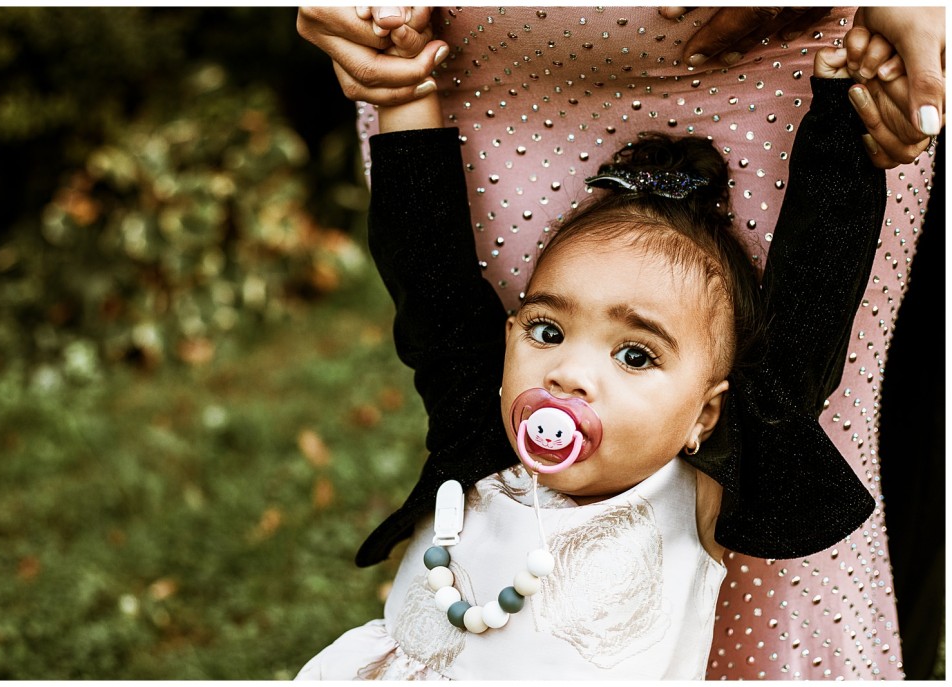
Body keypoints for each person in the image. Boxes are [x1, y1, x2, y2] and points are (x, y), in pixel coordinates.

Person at [297, 7, 942, 679]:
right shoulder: (478, 437)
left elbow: (811, 307)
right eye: (548, 330)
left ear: (705, 414)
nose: (570, 372)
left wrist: (842, 115)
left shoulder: (699, 495)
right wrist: (404, 95)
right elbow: (428, 268)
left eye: (635, 355)